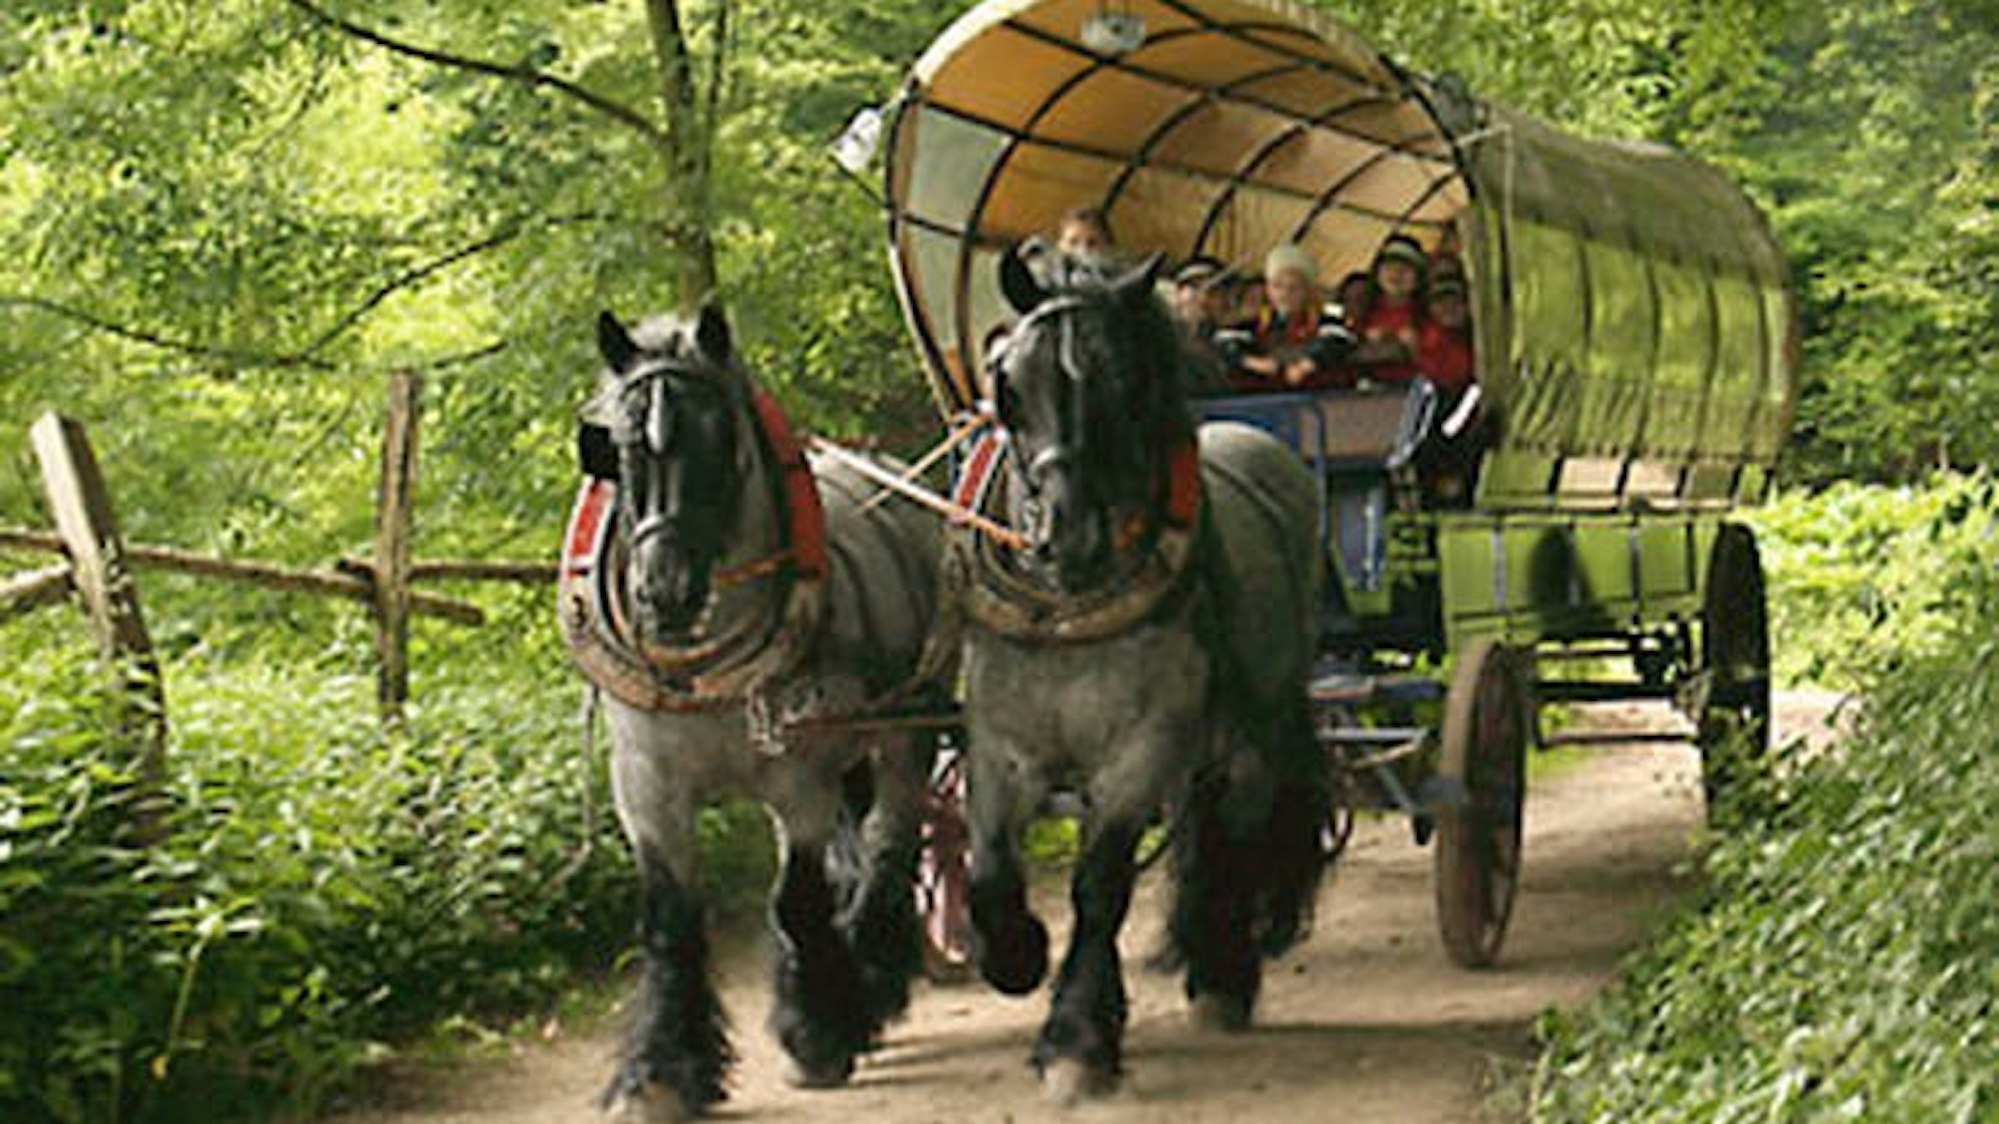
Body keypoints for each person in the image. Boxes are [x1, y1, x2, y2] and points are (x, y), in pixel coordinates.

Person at [1214, 243, 1354, 392]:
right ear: (1268, 290)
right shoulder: (1255, 320)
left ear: (1309, 291)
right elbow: (1226, 344)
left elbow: (1339, 340)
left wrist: (1306, 365)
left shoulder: (1327, 321)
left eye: (1294, 288)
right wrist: (1256, 363)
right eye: (1277, 286)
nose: (1285, 294)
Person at [1353, 233, 1427, 383]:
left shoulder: (1427, 313)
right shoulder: (1365, 311)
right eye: (1389, 267)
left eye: (1405, 269)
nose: (1396, 274)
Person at [1416, 274, 1475, 396]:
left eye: (1456, 302)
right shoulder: (1428, 339)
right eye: (1441, 303)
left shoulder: (1482, 338)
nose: (1449, 308)